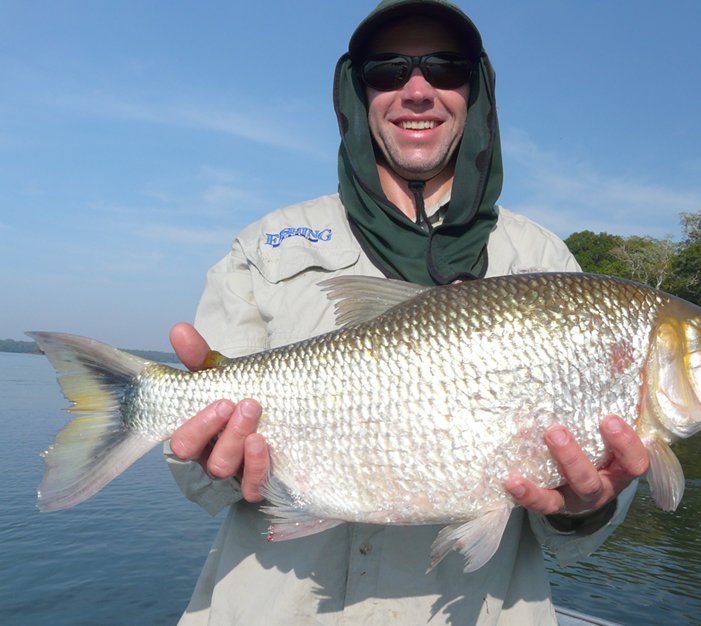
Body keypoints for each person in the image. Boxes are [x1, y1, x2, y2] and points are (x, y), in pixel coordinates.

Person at [166, 1, 650, 624]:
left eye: (445, 68)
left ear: (475, 92)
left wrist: (586, 507)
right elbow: (193, 474)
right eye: (388, 71)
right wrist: (214, 460)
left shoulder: (542, 259)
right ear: (356, 93)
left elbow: (574, 529)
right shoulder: (268, 243)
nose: (416, 90)